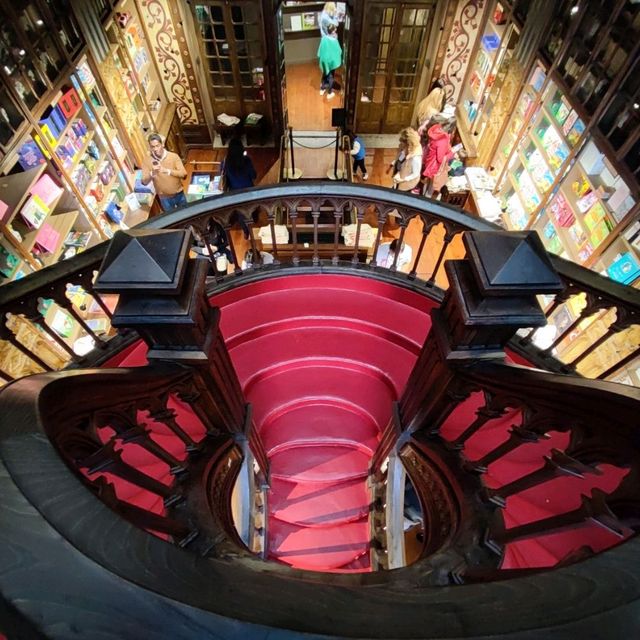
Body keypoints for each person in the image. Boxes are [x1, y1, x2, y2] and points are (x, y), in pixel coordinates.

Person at [141, 133, 187, 212]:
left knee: (186, 214)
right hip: (164, 198)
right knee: (171, 219)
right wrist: (152, 173)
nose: (155, 149)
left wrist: (167, 171)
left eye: (157, 146)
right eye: (152, 147)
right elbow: (144, 182)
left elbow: (184, 174)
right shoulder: (147, 161)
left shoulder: (173, 156)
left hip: (179, 193)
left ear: (162, 144)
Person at [421, 118, 455, 197]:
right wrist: (451, 153)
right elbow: (440, 159)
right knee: (431, 188)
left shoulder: (435, 134)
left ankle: (423, 197)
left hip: (429, 163)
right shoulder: (442, 140)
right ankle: (425, 202)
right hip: (435, 167)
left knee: (427, 184)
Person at [389, 127, 422, 192]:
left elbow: (415, 174)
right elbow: (401, 158)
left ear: (408, 144)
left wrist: (403, 179)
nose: (400, 144)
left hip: (405, 184)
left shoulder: (415, 159)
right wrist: (394, 164)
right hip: (399, 177)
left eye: (403, 144)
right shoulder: (405, 149)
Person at [317, 23, 342, 99]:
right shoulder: (334, 41)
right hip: (331, 62)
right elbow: (339, 51)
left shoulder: (324, 39)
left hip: (324, 61)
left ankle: (322, 89)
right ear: (333, 31)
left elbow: (320, 50)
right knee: (331, 76)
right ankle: (330, 92)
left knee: (325, 73)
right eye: (335, 29)